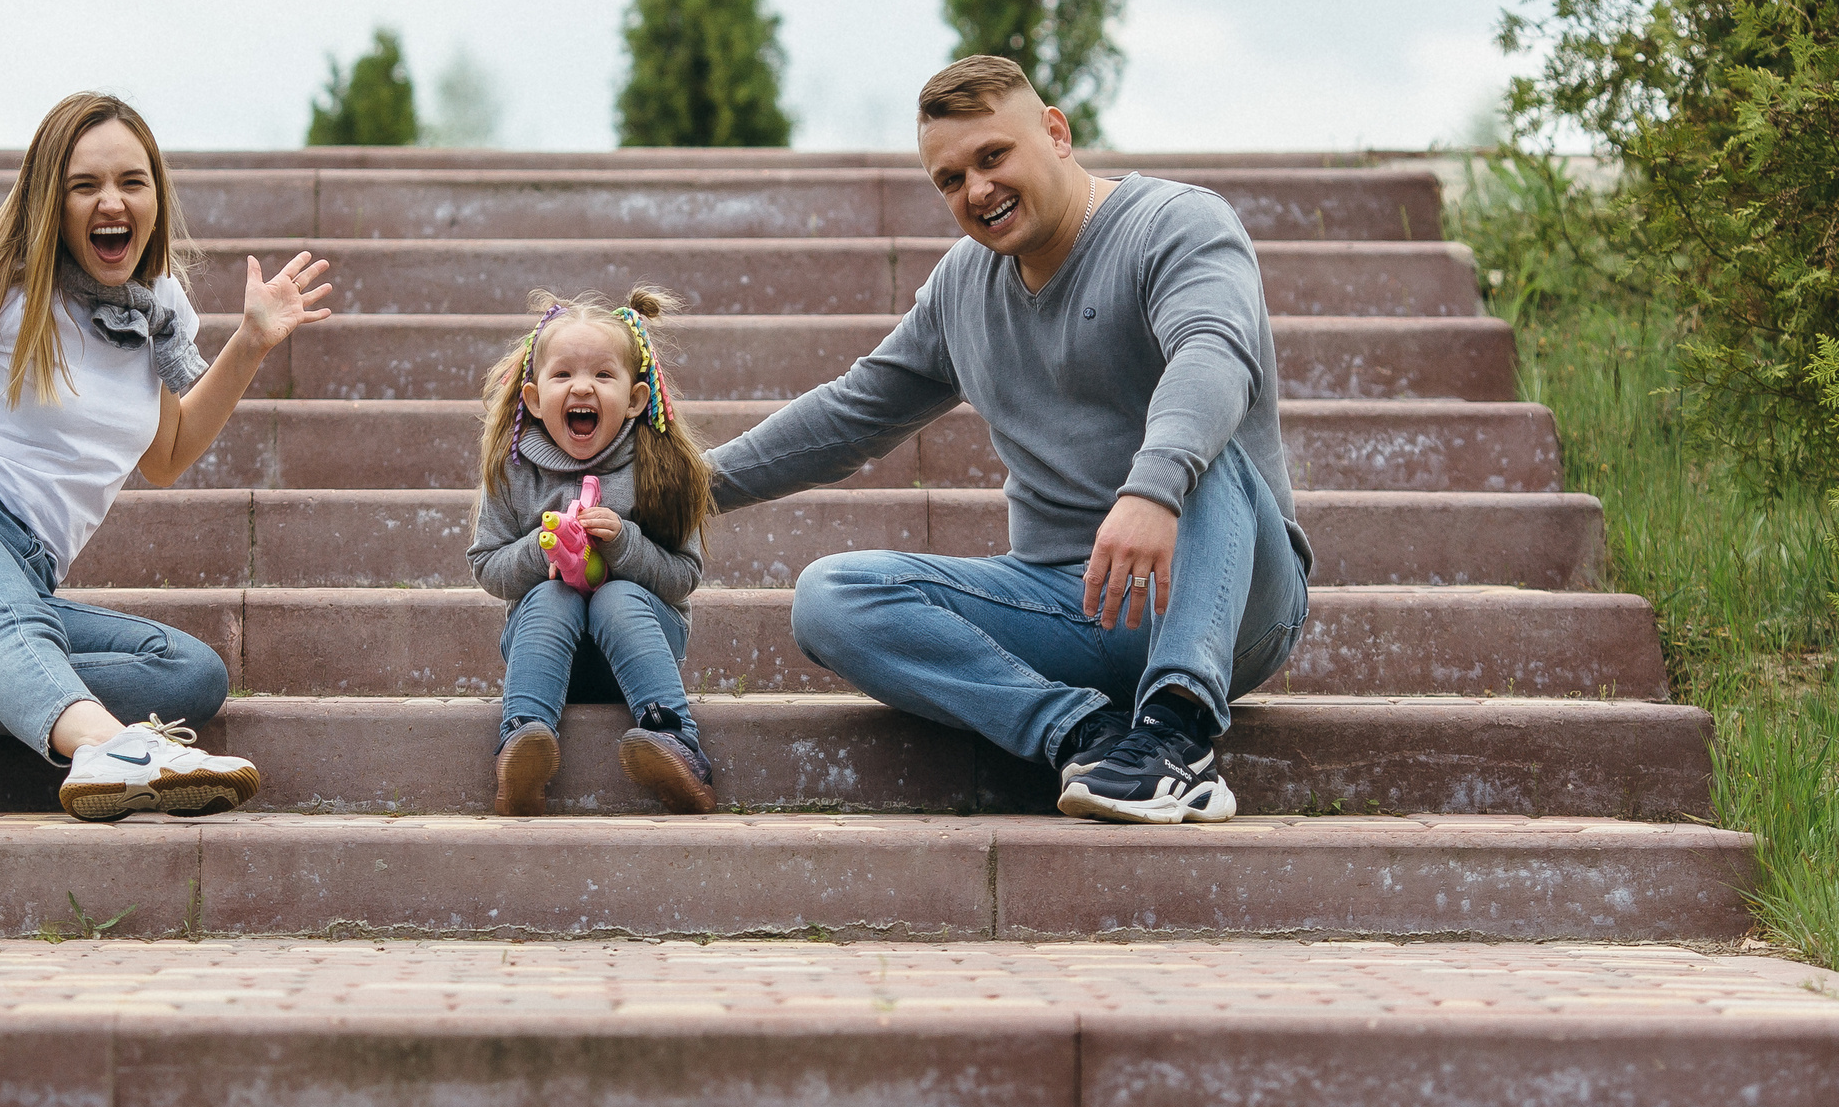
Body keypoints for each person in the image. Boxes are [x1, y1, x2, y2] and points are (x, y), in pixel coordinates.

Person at [704, 57, 1311, 824]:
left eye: (993, 157)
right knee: (831, 595)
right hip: (1073, 602)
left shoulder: (1177, 224)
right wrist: (680, 488)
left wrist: (1152, 488)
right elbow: (851, 412)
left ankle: (1180, 734)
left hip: (1232, 595)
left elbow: (1214, 356)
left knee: (1205, 441)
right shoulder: (963, 287)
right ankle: (1086, 734)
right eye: (950, 179)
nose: (976, 191)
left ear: (1054, 132)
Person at [0, 91, 331, 821]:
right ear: (49, 199)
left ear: (156, 194)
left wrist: (248, 344)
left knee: (190, 673)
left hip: (17, 575)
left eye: (131, 181)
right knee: (15, 625)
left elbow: (168, 454)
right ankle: (108, 748)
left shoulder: (152, 315)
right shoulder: (2, 281)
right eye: (83, 185)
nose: (110, 202)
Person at [468, 287, 716, 815]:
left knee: (616, 596)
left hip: (639, 650)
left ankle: (676, 743)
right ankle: (523, 742)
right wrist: (543, 551)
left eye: (603, 374)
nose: (582, 386)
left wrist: (627, 544)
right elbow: (487, 566)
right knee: (551, 598)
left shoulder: (662, 469)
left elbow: (683, 576)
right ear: (534, 399)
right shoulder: (514, 471)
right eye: (563, 375)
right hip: (549, 653)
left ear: (634, 398)